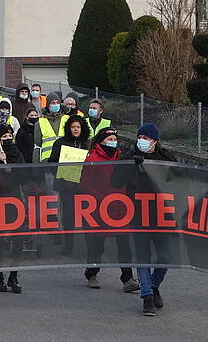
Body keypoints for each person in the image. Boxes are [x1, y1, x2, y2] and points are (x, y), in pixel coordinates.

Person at [116, 123, 176, 317]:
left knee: (165, 257)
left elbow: (177, 181)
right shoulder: (129, 157)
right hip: (138, 215)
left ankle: (154, 284)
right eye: (139, 137)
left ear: (155, 141)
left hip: (162, 216)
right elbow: (114, 181)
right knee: (142, 258)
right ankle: (147, 297)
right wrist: (130, 166)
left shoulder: (166, 158)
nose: (142, 141)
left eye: (146, 138)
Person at [80, 127, 139, 293]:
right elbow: (85, 184)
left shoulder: (121, 158)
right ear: (101, 141)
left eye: (115, 139)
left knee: (124, 245)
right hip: (100, 209)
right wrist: (101, 199)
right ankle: (92, 273)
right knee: (97, 244)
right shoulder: (93, 158)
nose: (113, 142)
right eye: (110, 139)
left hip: (121, 208)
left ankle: (127, 278)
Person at [48, 115, 91, 255]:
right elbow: (51, 163)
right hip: (66, 185)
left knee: (87, 216)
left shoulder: (87, 143)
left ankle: (88, 246)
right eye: (73, 127)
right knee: (68, 216)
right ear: (69, 128)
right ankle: (69, 246)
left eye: (78, 127)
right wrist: (61, 169)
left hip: (84, 185)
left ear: (82, 128)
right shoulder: (60, 143)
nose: (76, 129)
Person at [0, 123, 24, 292]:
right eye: (4, 136)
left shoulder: (16, 153)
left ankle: (13, 276)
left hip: (15, 200)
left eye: (10, 135)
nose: (7, 138)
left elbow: (24, 176)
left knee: (18, 238)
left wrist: (12, 166)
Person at [33, 92, 68, 162]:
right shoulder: (40, 122)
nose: (56, 105)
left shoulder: (67, 119)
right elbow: (37, 146)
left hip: (64, 158)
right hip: (47, 161)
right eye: (53, 103)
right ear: (48, 105)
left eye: (57, 103)